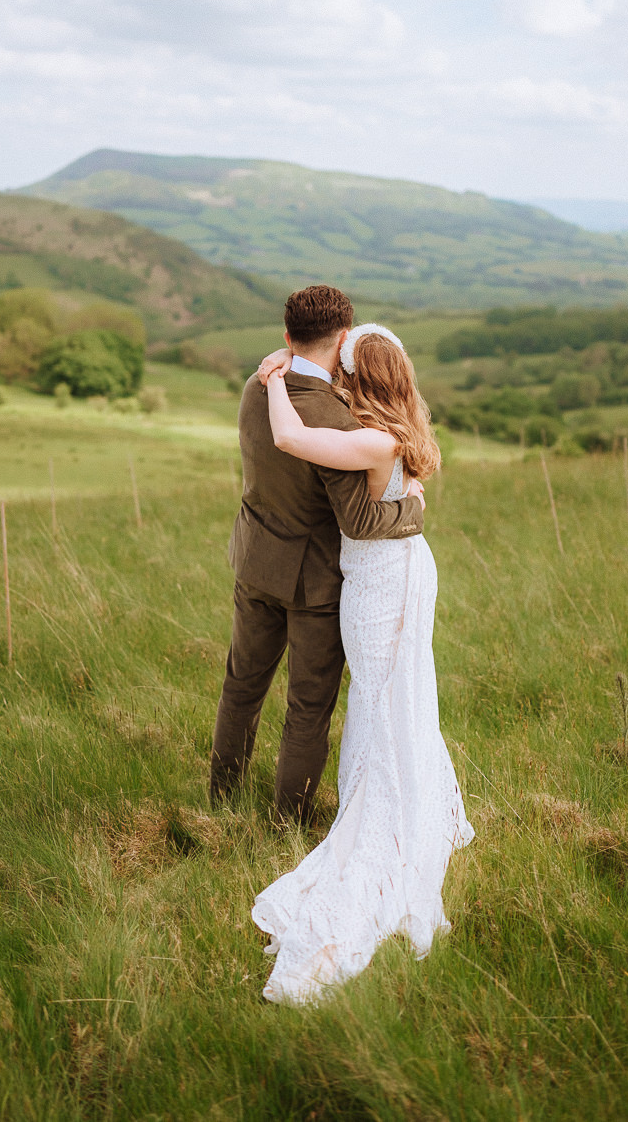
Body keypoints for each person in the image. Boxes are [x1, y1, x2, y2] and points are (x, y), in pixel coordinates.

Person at [249, 322, 474, 1004]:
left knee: (379, 695)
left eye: (348, 372)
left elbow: (289, 439)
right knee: (394, 692)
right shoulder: (401, 428)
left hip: (380, 582)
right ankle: (402, 788)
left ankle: (385, 812)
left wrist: (274, 381)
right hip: (397, 569)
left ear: (362, 379)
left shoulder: (374, 439)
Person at [210, 285, 426, 825]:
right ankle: (289, 824)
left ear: (287, 337)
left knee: (241, 685)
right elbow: (359, 520)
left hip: (255, 560)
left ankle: (221, 799)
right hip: (315, 584)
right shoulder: (334, 418)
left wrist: (283, 360)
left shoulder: (257, 388)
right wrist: (414, 511)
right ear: (345, 337)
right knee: (307, 708)